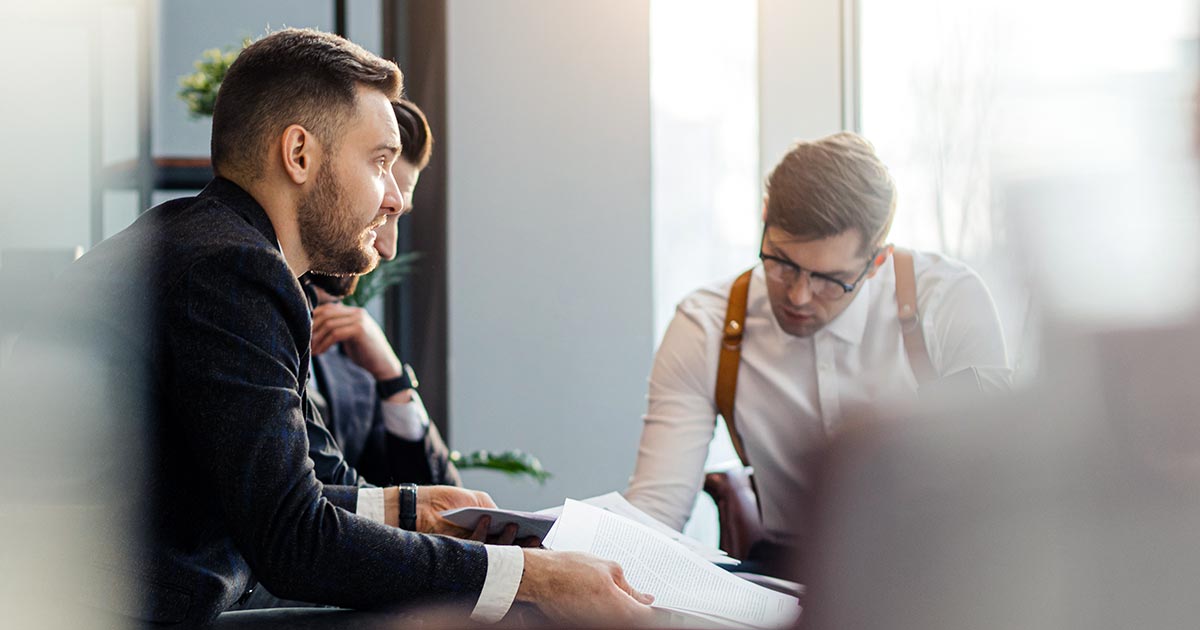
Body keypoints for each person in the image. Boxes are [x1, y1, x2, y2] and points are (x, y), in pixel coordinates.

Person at [7, 28, 652, 626]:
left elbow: (292, 490)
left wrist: (410, 509)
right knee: (505, 616)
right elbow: (294, 539)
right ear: (298, 154)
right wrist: (533, 577)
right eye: (379, 161)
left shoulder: (199, 240)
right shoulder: (231, 270)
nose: (394, 197)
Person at [624, 131, 1011, 576]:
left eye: (831, 279)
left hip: (929, 573)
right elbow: (655, 511)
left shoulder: (948, 302)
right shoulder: (707, 323)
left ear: (876, 262)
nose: (800, 296)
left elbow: (999, 496)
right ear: (765, 219)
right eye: (783, 263)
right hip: (783, 576)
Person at [303, 100, 460, 489]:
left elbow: (438, 500)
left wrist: (393, 380)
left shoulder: (351, 358)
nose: (387, 249)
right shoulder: (240, 313)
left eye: (397, 216)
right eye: (383, 211)